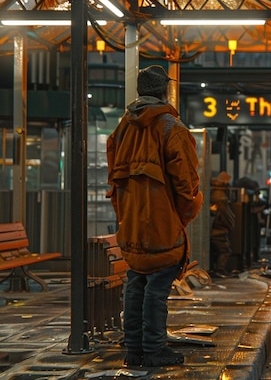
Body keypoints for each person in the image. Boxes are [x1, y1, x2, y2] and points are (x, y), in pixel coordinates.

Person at [106, 65, 203, 367]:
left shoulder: (123, 127)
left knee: (136, 282)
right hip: (161, 225)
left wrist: (125, 215)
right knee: (158, 289)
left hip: (131, 223)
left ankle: (134, 349)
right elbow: (186, 184)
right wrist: (181, 217)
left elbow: (114, 177)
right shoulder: (171, 128)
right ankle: (154, 349)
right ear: (165, 91)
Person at [210, 171, 236, 277]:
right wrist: (231, 223)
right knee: (225, 250)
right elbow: (226, 215)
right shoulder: (221, 197)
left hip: (215, 228)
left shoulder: (215, 193)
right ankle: (220, 269)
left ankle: (216, 269)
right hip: (219, 229)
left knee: (217, 250)